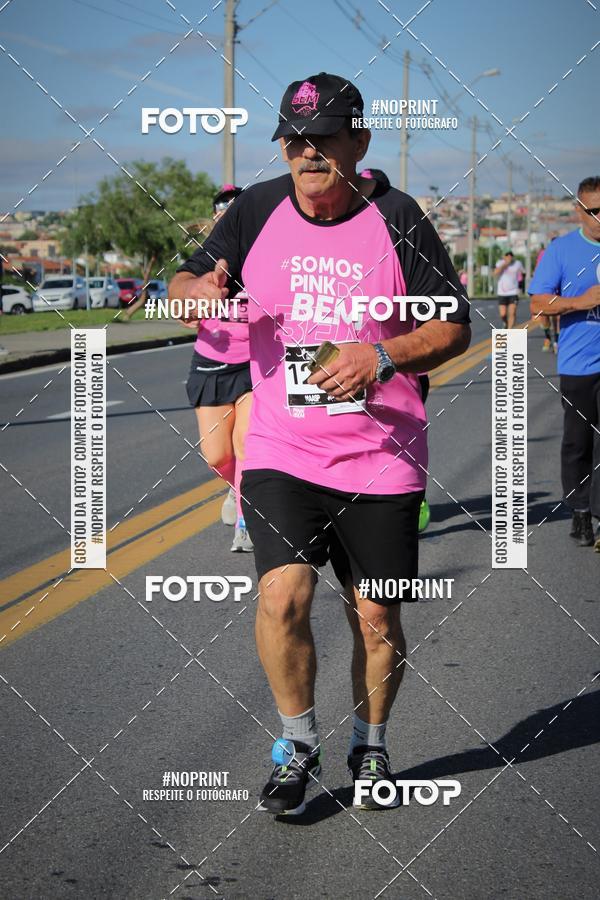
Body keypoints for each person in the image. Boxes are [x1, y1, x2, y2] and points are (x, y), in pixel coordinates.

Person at [169, 72, 471, 814]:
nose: (305, 154)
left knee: (376, 616)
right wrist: (193, 292)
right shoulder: (255, 210)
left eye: (322, 139)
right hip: (281, 446)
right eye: (293, 141)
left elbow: (456, 324)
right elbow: (182, 281)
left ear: (358, 142)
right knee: (281, 597)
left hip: (380, 455)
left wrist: (385, 356)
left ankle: (371, 742)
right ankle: (295, 746)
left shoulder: (398, 217)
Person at [529, 175, 600, 550]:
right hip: (578, 364)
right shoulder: (561, 250)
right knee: (578, 442)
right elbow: (539, 304)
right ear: (579, 211)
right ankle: (580, 509)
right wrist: (582, 301)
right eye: (594, 211)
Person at [184, 185, 254, 552]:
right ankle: (237, 487)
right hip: (210, 363)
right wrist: (191, 305)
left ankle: (247, 521)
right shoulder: (202, 259)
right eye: (220, 211)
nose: (225, 217)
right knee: (217, 456)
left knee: (245, 445)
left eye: (234, 211)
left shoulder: (260, 255)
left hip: (254, 364)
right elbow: (182, 309)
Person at [494, 250, 523, 328]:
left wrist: (521, 287)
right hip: (502, 293)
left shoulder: (518, 264)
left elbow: (522, 274)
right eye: (507, 255)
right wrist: (505, 264)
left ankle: (509, 331)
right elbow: (495, 273)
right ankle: (506, 323)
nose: (509, 256)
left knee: (512, 313)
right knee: (503, 314)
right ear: (504, 256)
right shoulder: (499, 263)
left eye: (511, 255)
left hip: (513, 292)